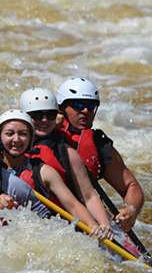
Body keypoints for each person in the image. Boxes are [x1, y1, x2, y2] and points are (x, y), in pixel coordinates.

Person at [0, 109, 108, 237]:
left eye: (23, 134)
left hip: (36, 235)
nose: (16, 139)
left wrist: (93, 226)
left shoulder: (43, 172)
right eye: (9, 134)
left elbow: (73, 205)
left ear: (31, 138)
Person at [19, 87, 113, 236]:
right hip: (26, 223)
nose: (44, 120)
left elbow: (89, 195)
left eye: (50, 115)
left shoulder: (67, 153)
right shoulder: (11, 147)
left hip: (62, 224)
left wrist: (103, 225)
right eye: (37, 115)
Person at [56, 77, 144, 232]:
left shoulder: (98, 145)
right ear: (61, 108)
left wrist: (131, 210)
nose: (85, 111)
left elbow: (131, 186)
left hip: (87, 221)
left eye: (91, 106)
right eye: (78, 105)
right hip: (47, 215)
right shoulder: (38, 132)